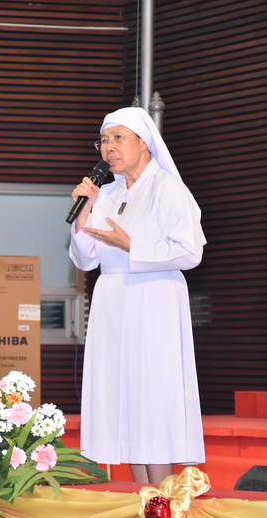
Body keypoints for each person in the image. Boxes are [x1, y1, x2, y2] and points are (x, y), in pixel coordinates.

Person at [69, 106, 206, 485]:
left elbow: (190, 252)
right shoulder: (107, 192)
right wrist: (83, 212)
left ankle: (161, 502)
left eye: (118, 138)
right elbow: (85, 259)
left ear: (144, 142)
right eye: (103, 140)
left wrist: (131, 245)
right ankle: (144, 498)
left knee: (151, 398)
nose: (108, 148)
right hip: (113, 303)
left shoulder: (167, 187)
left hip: (154, 297)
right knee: (125, 402)